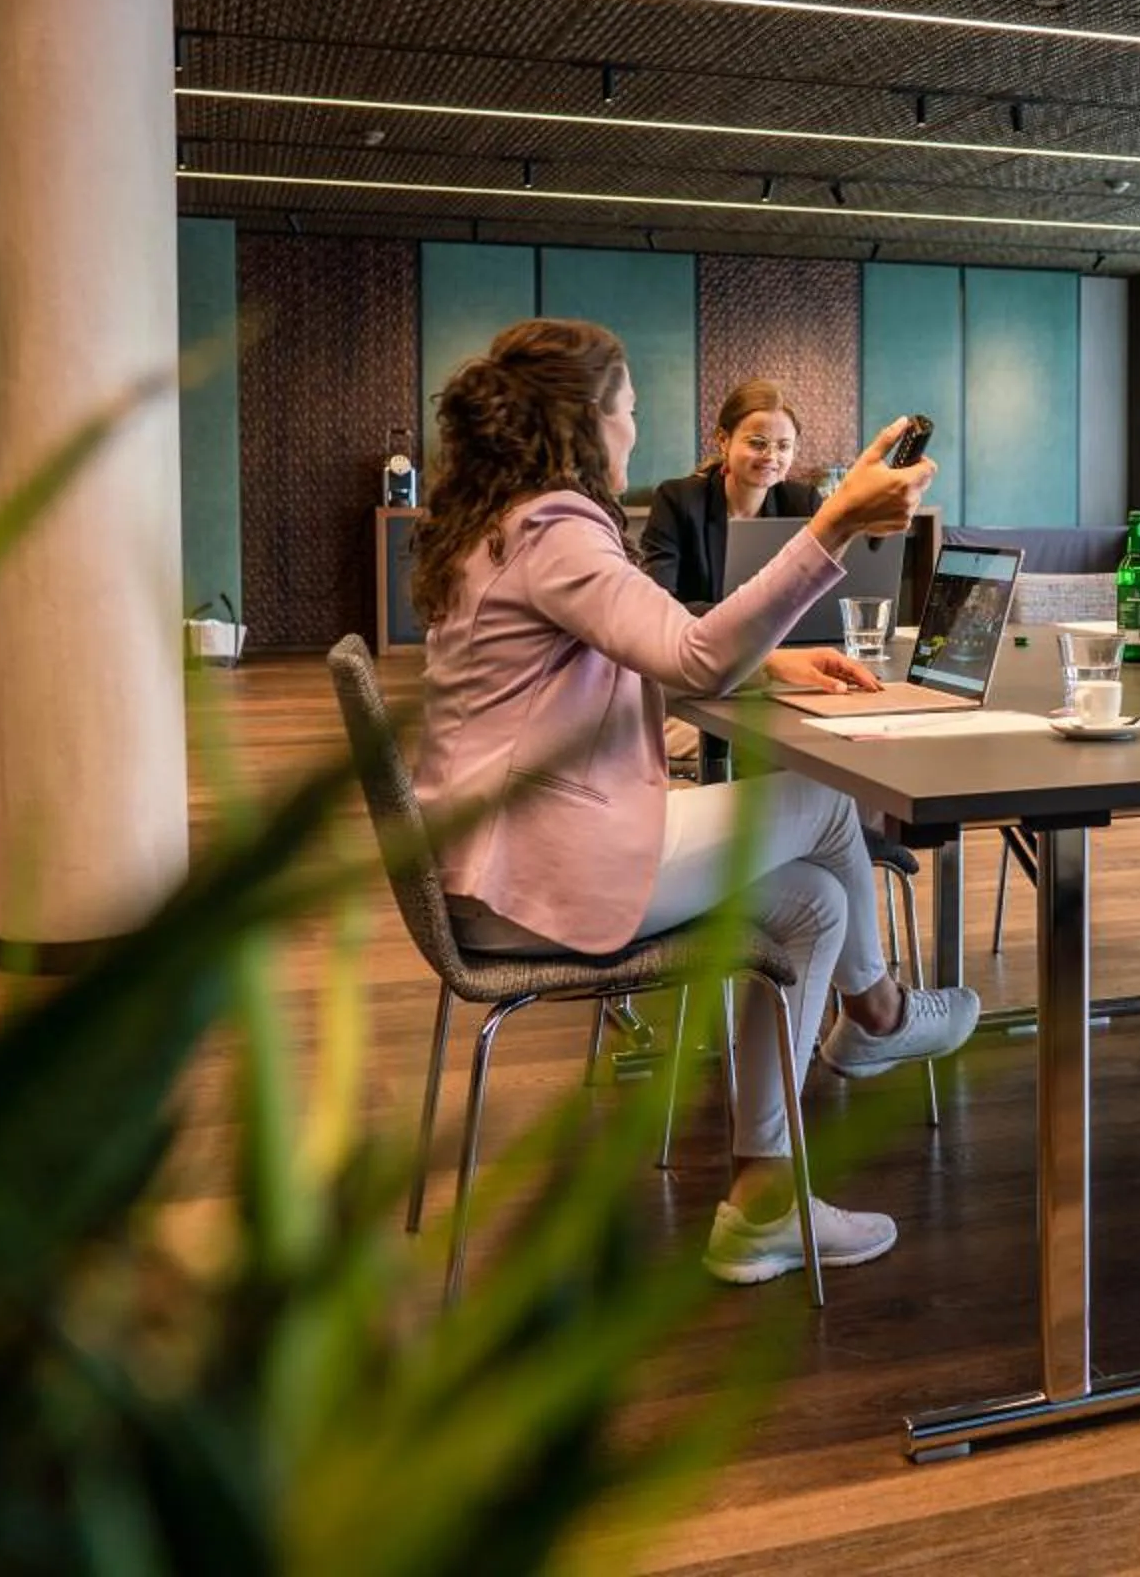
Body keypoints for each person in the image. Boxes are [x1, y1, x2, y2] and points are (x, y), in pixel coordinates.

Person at [410, 320, 981, 1283]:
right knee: (825, 800)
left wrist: (777, 659)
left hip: (495, 864)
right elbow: (694, 655)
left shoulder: (503, 525)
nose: (636, 431)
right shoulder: (556, 529)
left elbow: (651, 646)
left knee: (816, 904)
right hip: (535, 875)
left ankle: (763, 1202)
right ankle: (880, 1014)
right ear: (587, 421)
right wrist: (835, 523)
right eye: (630, 410)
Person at [637, 379, 825, 609]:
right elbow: (657, 603)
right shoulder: (677, 500)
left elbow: (823, 596)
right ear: (723, 440)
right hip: (699, 633)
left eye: (783, 446)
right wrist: (747, 617)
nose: (771, 456)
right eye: (757, 443)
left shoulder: (804, 503)